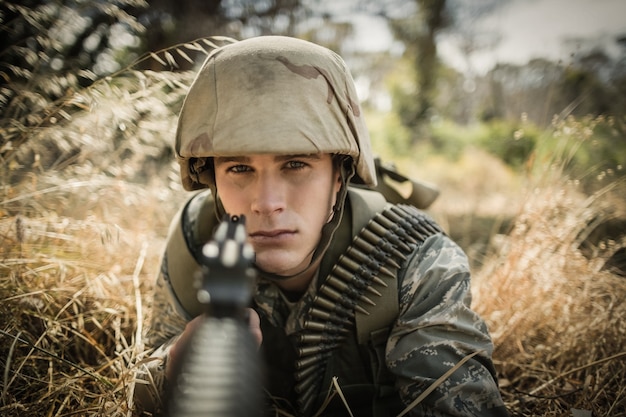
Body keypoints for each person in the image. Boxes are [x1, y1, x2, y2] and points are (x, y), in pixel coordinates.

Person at [133, 35, 510, 417]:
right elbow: (140, 388)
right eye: (239, 168)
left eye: (295, 165)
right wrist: (175, 365)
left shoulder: (415, 260)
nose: (266, 203)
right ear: (211, 180)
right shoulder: (196, 243)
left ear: (338, 179)